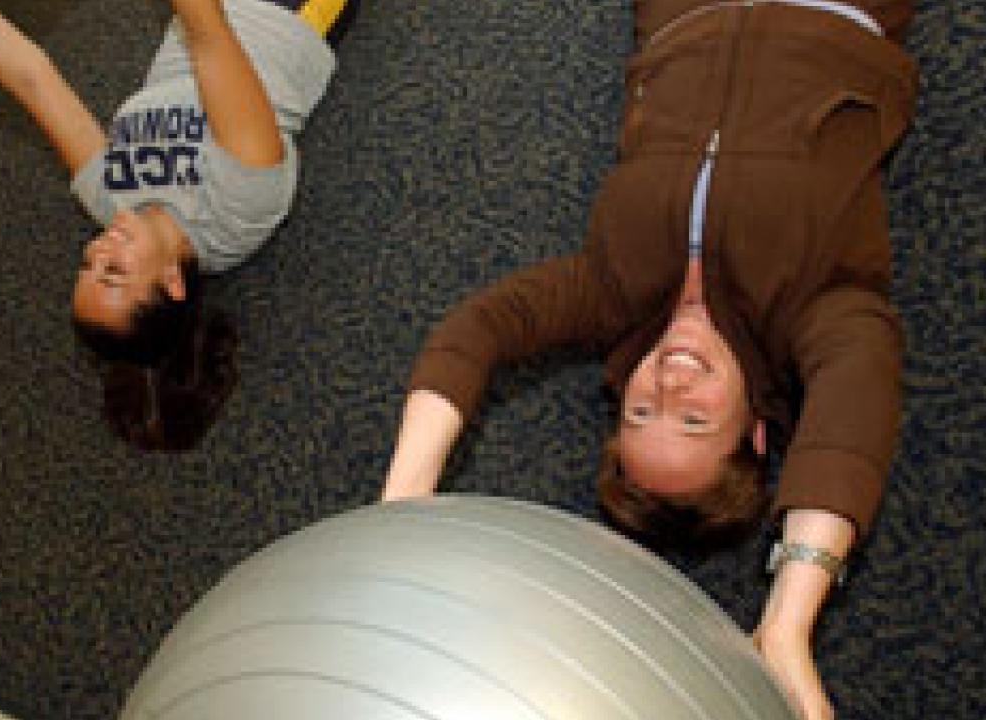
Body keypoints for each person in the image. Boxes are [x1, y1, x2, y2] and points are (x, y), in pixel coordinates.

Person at [379, 0, 917, 717]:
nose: (668, 378)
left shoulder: (607, 297)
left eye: (641, 409)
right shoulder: (820, 314)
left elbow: (476, 332)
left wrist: (401, 504)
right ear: (756, 431)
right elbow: (855, 408)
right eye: (692, 418)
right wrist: (789, 622)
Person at [0, 0, 356, 450]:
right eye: (114, 272)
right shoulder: (238, 203)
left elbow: (33, 82)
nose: (98, 250)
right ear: (171, 282)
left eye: (87, 266)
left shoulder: (112, 203)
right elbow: (208, 35)